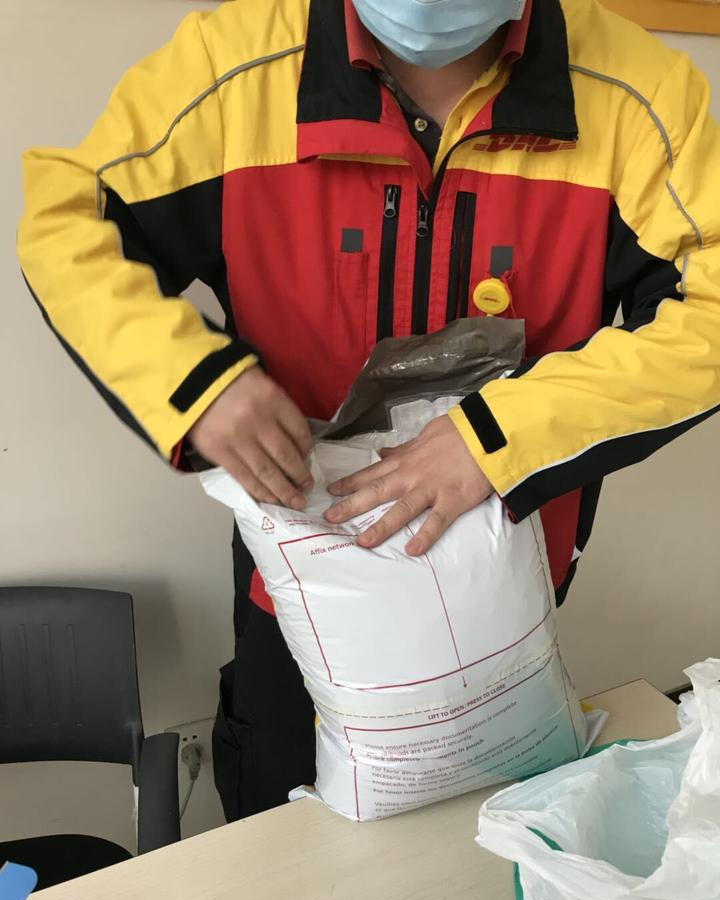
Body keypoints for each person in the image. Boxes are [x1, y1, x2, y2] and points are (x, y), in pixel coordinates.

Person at [18, 0, 720, 820]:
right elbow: (71, 218)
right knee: (284, 843)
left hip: (499, 584)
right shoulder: (236, 70)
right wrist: (195, 383)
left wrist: (498, 437)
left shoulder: (636, 96)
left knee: (476, 840)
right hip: (298, 587)